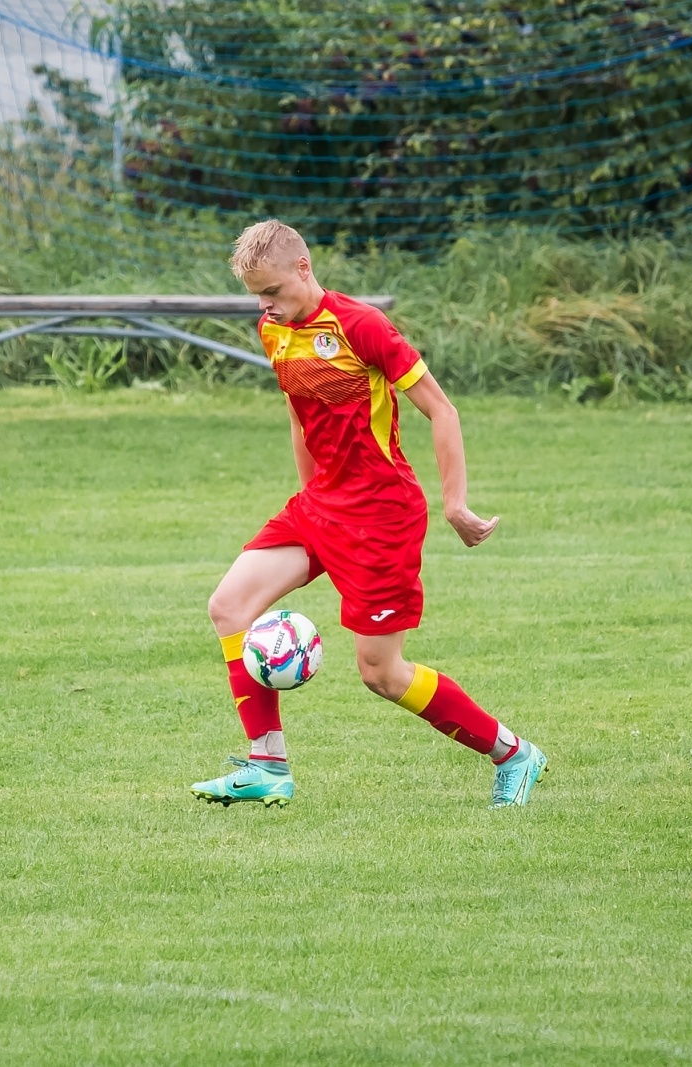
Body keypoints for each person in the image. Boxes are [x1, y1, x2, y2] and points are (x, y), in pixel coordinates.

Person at [189, 221, 548, 810]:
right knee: (228, 606)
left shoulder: (362, 327)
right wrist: (310, 495)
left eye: (273, 291)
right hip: (320, 507)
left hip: (382, 517)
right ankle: (267, 765)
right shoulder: (274, 332)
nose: (265, 306)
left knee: (381, 673)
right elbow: (298, 410)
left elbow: (442, 410)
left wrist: (454, 503)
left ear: (303, 269)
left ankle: (513, 752)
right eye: (257, 295)